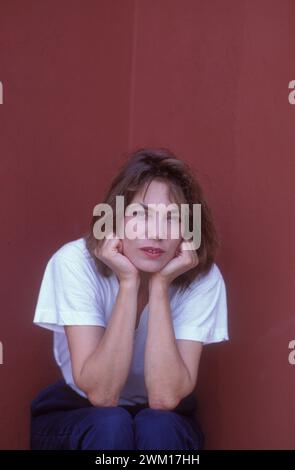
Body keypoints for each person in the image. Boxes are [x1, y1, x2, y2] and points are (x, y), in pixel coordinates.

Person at [30, 147, 229, 450]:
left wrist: (160, 285)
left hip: (164, 421)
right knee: (111, 425)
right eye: (140, 215)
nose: (157, 233)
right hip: (79, 413)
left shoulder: (203, 277)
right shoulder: (73, 262)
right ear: (114, 218)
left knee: (158, 428)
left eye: (172, 219)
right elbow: (102, 395)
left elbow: (164, 399)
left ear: (189, 230)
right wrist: (128, 282)